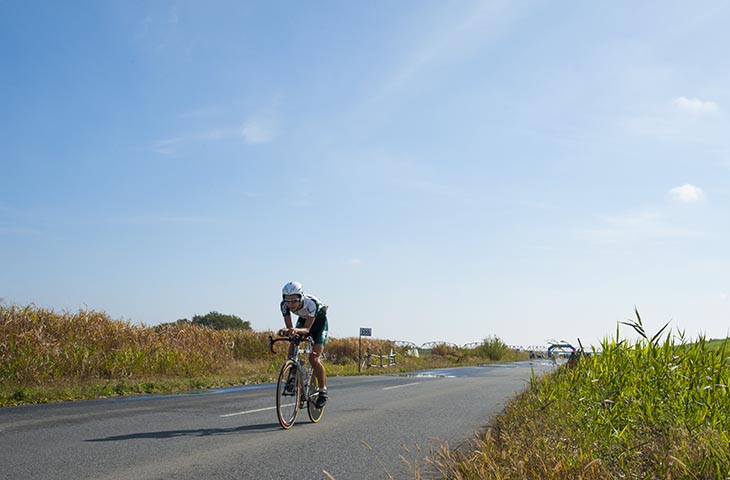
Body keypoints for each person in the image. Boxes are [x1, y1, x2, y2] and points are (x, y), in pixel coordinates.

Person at [278, 281, 329, 408]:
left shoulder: (312, 304)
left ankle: (323, 391)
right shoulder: (284, 305)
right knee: (293, 344)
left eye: (294, 301)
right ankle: (293, 375)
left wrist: (294, 330)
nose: (290, 304)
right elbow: (291, 330)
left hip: (319, 325)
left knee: (314, 358)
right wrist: (288, 331)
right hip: (304, 320)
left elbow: (307, 330)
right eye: (287, 301)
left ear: (301, 297)